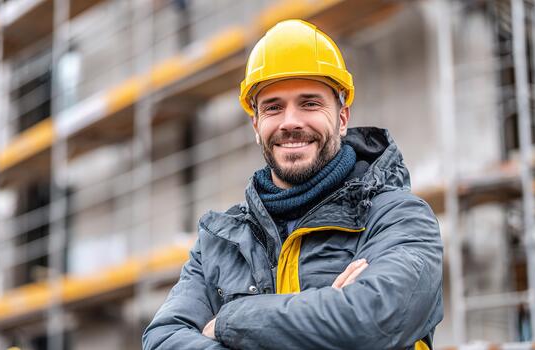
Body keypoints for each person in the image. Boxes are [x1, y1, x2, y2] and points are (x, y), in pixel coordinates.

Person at [142, 19, 443, 350]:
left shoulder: (398, 218)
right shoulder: (219, 243)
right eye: (273, 107)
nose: (291, 122)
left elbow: (373, 318)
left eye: (309, 103)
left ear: (342, 118)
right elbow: (162, 339)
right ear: (256, 125)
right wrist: (327, 317)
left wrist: (230, 322)